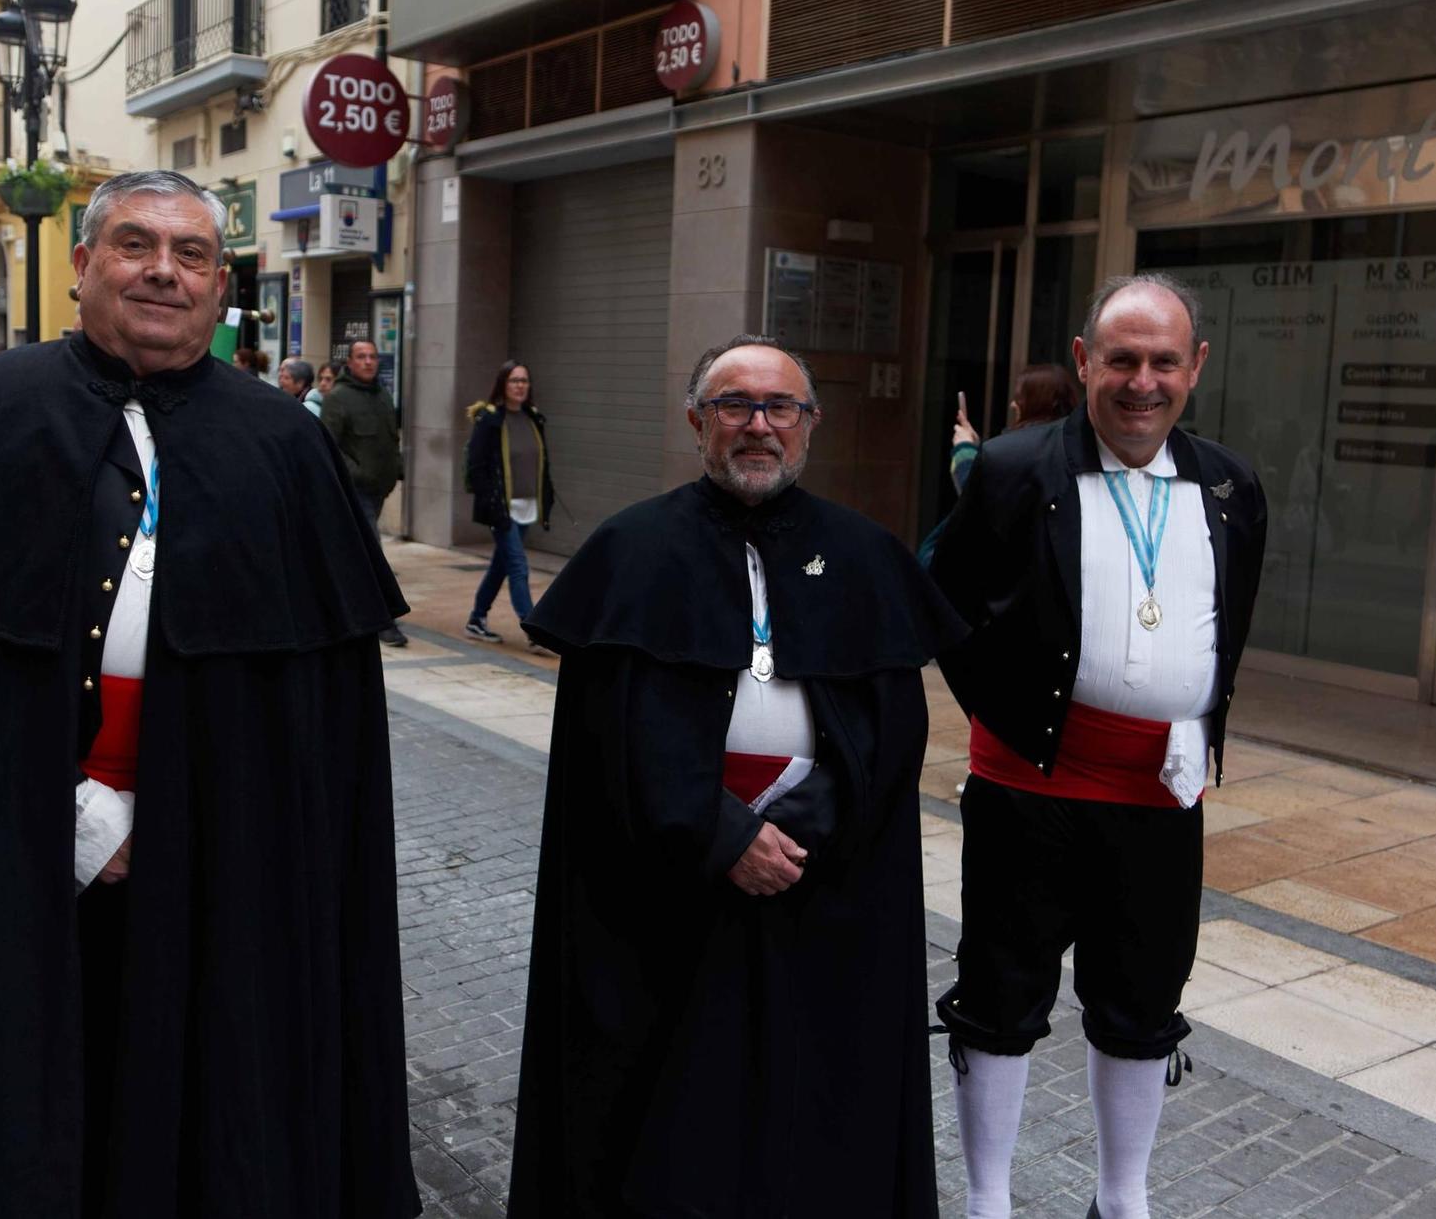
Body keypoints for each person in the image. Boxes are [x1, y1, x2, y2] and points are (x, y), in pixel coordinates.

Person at [0, 170, 418, 1219]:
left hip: (222, 860)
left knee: (205, 1082)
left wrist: (181, 805)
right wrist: (70, 806)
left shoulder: (283, 440)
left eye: (191, 255)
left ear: (221, 286)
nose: (162, 271)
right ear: (82, 265)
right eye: (134, 244)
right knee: (7, 1076)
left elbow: (315, 718)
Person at [508, 334, 965, 1218]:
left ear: (809, 426)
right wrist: (720, 833)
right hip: (664, 879)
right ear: (697, 422)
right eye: (735, 405)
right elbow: (606, 733)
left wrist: (800, 828)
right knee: (673, 1091)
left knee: (818, 1084)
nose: (759, 425)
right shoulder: (632, 548)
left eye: (779, 407)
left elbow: (891, 726)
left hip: (821, 873)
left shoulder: (865, 553)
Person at [929, 274, 1268, 1219]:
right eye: (1122, 358)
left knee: (1141, 1003)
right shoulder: (1011, 469)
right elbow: (941, 597)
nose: (1142, 381)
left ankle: (1123, 1199)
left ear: (1195, 368)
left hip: (1162, 796)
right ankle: (989, 1199)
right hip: (1029, 786)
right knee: (1002, 995)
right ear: (1085, 363)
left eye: (1165, 361)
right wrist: (998, 713)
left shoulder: (1232, 485)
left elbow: (1224, 622)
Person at [919, 363, 1079, 567]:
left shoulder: (1026, 450)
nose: (1013, 404)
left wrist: (965, 450)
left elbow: (983, 495)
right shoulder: (1069, 445)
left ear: (1036, 402)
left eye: (1019, 397)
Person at [320, 338, 408, 648]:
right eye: (362, 357)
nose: (369, 362)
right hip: (355, 490)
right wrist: (355, 472)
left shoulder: (382, 394)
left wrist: (397, 466)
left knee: (358, 553)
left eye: (372, 356)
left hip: (379, 489)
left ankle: (344, 605)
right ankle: (384, 621)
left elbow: (390, 436)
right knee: (373, 553)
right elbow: (328, 446)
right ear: (351, 362)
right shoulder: (338, 398)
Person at [462, 361, 553, 647]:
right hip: (501, 508)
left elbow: (541, 463)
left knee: (500, 566)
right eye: (514, 380)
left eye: (524, 381)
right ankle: (533, 627)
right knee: (518, 565)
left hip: (527, 506)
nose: (520, 386)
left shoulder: (533, 418)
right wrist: (492, 503)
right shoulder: (490, 420)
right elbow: (477, 467)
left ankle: (477, 618)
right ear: (503, 385)